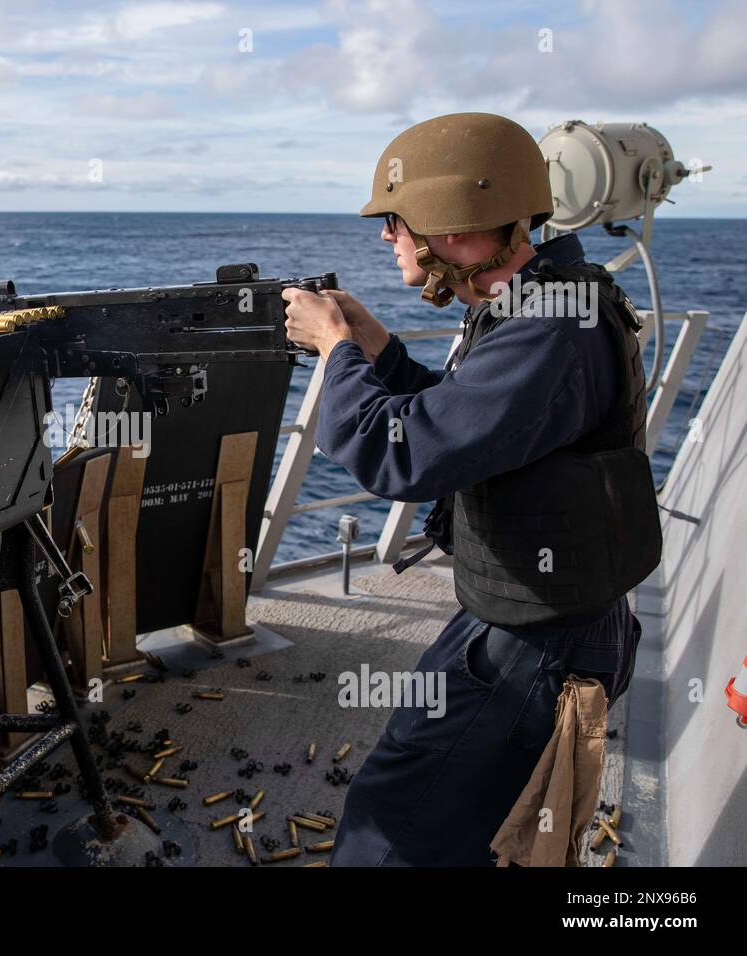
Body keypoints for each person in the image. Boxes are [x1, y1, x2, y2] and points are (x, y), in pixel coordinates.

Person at [280, 112, 661, 866]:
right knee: (454, 822)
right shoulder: (542, 302)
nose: (385, 236)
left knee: (390, 824)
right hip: (523, 614)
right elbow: (467, 421)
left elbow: (407, 454)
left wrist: (335, 353)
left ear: (447, 225)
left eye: (395, 220)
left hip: (539, 641)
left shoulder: (552, 325)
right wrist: (379, 353)